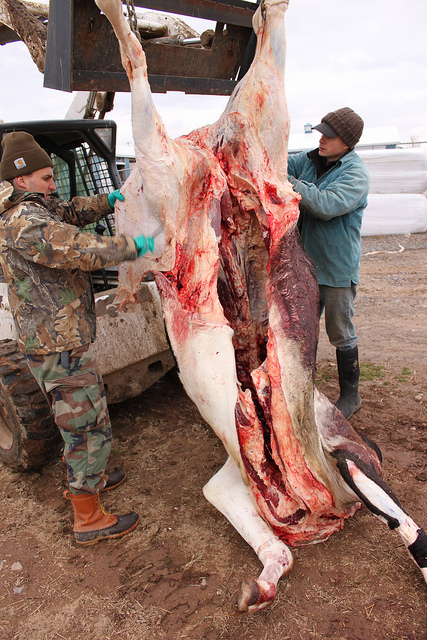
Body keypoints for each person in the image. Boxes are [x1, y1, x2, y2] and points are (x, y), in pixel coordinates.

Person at [0, 131, 155, 544]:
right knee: (83, 426)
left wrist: (105, 202)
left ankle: (95, 475)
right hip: (56, 344)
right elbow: (77, 248)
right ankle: (87, 517)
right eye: (47, 178)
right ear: (21, 180)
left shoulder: (36, 208)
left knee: (91, 412)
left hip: (65, 338)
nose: (54, 185)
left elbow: (68, 211)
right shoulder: (23, 222)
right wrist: (130, 247)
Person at [287, 107, 370, 419]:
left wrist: (289, 182)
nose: (321, 139)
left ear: (346, 143)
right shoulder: (307, 161)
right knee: (301, 330)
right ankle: (299, 388)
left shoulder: (355, 174)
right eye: (321, 132)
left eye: (329, 136)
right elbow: (276, 166)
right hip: (304, 265)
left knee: (340, 332)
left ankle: (351, 395)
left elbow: (324, 205)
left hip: (336, 268)